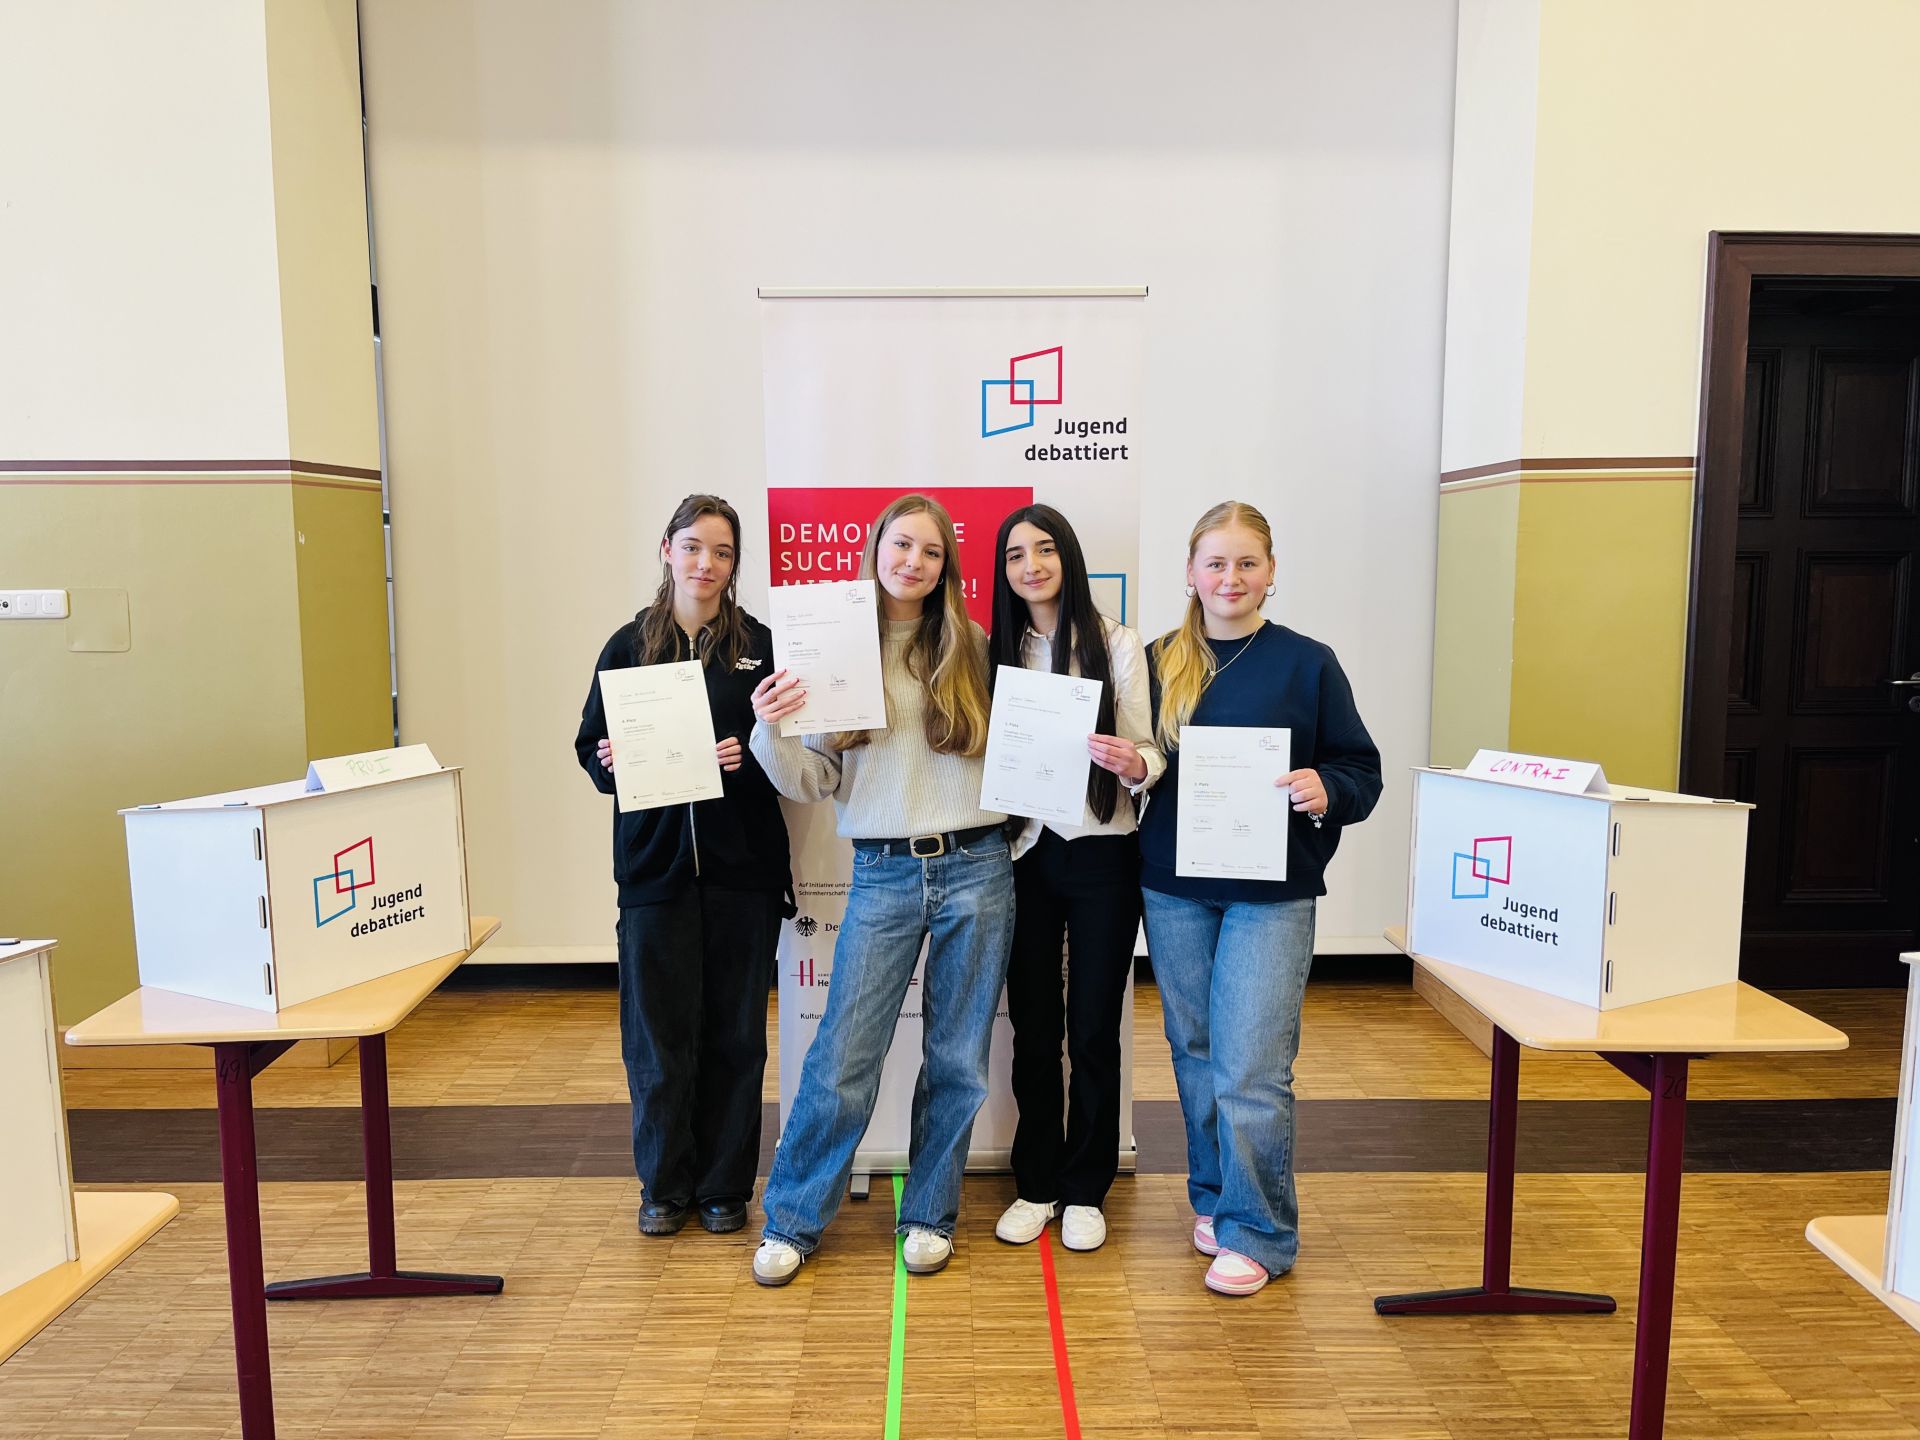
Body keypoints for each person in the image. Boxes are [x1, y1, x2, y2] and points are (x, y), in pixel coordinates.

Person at [747, 493, 1013, 1287]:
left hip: (977, 866)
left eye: (931, 552)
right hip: (884, 871)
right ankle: (792, 1219)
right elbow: (814, 780)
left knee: (958, 1059)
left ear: (946, 566)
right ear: (876, 550)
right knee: (844, 1054)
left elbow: (1010, 759)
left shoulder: (972, 646)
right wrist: (770, 727)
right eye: (902, 545)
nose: (914, 563)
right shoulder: (834, 652)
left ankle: (930, 1214)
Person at [1138, 500, 1381, 1296]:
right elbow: (1138, 762)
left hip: (1271, 895)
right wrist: (1128, 765)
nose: (1230, 578)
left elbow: (1360, 771)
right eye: (1216, 563)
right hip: (1174, 888)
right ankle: (1217, 1198)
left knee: (1252, 1065)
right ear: (1190, 572)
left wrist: (1326, 787)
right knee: (1195, 1050)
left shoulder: (1309, 664)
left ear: (1271, 572)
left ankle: (1260, 1233)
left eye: (1247, 563)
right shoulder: (1156, 661)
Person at [574, 493, 793, 1238]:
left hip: (742, 871)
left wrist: (748, 756)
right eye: (694, 546)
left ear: (735, 565)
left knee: (736, 1036)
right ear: (668, 550)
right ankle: (664, 1187)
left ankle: (725, 1186)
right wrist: (608, 760)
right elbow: (590, 747)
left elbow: (793, 753)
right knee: (658, 1041)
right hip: (654, 874)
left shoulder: (761, 648)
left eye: (722, 552)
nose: (707, 563)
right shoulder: (627, 645)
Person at [986, 504, 1164, 1253]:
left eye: (1045, 550)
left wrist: (1135, 762)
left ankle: (1087, 1186)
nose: (1031, 566)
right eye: (1015, 555)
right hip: (1022, 854)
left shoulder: (1117, 643)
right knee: (1033, 1026)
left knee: (1093, 1027)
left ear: (1069, 557)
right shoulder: (995, 650)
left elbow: (1150, 750)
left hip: (1102, 851)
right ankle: (1037, 1182)